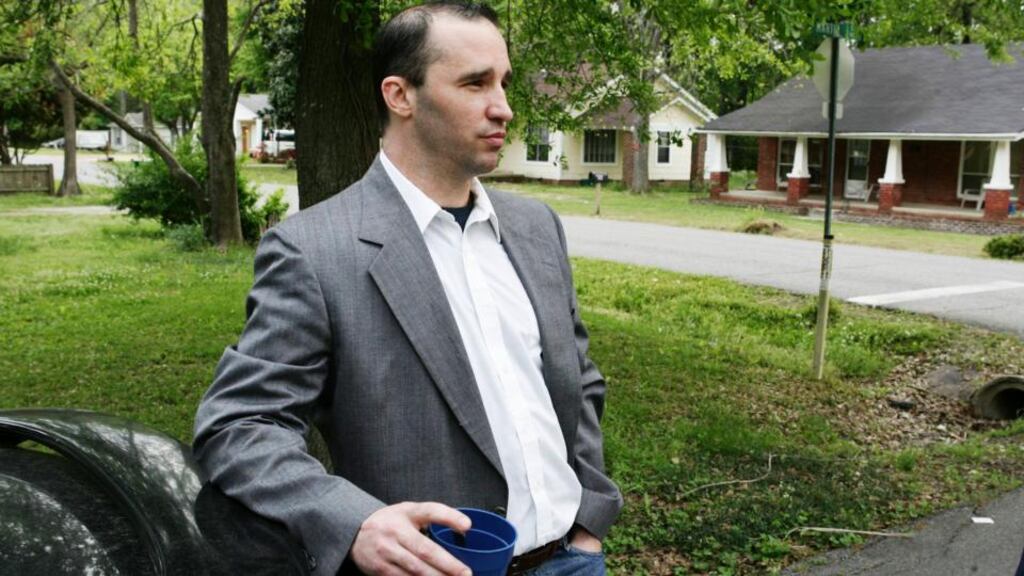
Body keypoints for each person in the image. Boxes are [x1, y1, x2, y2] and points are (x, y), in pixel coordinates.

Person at [192, 2, 622, 575]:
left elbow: (579, 381)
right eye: (475, 83)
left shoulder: (536, 227)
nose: (504, 107)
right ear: (400, 96)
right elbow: (240, 426)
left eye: (504, 82)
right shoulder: (315, 251)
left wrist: (590, 518)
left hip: (573, 559)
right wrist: (354, 521)